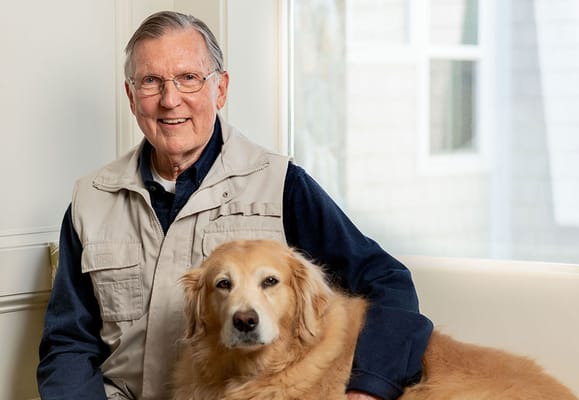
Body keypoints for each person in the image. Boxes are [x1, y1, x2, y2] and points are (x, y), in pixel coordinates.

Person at [37, 10, 432, 400]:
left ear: (220, 89)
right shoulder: (91, 200)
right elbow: (69, 343)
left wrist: (370, 386)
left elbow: (387, 282)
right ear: (131, 95)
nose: (170, 99)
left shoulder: (281, 184)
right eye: (151, 81)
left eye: (188, 78)